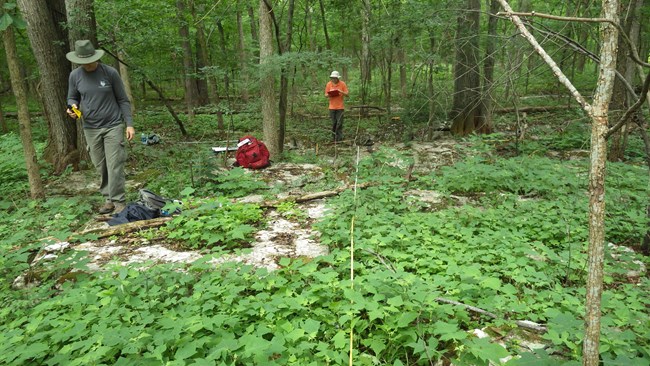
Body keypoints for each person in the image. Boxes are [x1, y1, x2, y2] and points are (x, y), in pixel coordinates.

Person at [66, 40, 135, 214]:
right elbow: (72, 97)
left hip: (113, 125)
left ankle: (119, 201)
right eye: (82, 61)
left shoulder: (109, 73)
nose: (86, 64)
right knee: (100, 165)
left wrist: (129, 124)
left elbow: (123, 100)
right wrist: (72, 108)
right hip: (90, 127)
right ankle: (108, 199)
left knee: (115, 164)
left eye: (89, 60)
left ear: (95, 57)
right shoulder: (75, 76)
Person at [324, 70, 349, 142]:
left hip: (340, 107)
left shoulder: (342, 84)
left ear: (338, 78)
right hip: (331, 107)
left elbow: (347, 94)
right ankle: (334, 137)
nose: (333, 79)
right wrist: (330, 94)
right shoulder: (329, 84)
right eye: (332, 78)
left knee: (339, 122)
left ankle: (339, 138)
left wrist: (340, 91)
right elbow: (325, 95)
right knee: (334, 122)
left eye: (335, 78)